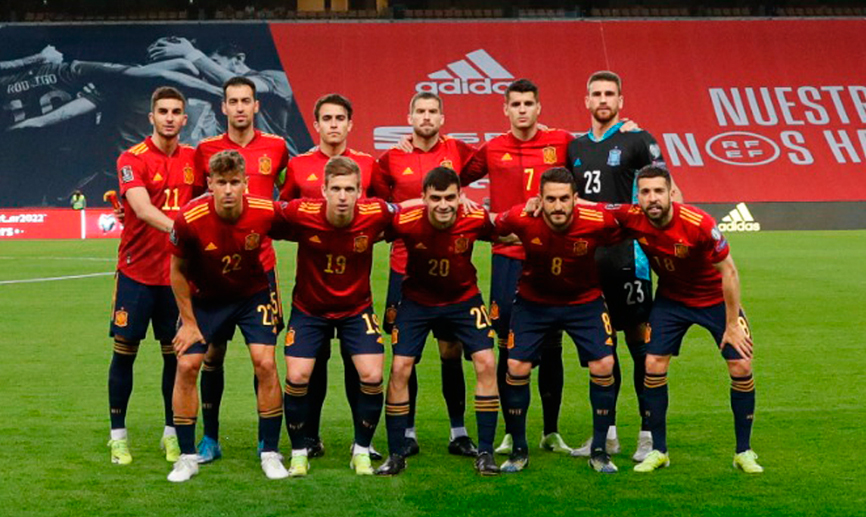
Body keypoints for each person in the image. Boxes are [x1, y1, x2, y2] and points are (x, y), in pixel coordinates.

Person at [607, 166, 762, 474]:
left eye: (658, 191)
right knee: (653, 365)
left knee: (741, 365)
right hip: (672, 301)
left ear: (671, 194)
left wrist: (732, 325)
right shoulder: (634, 217)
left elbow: (729, 272)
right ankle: (659, 450)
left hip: (714, 300)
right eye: (646, 192)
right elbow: (591, 208)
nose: (652, 198)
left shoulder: (699, 224)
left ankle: (744, 451)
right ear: (638, 196)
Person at [566, 70, 681, 460]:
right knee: (602, 350)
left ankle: (648, 434)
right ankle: (607, 433)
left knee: (640, 347)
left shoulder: (638, 140)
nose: (602, 100)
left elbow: (669, 191)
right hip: (588, 259)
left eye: (609, 94)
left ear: (620, 100)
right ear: (586, 100)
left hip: (629, 258)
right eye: (596, 93)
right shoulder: (576, 147)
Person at [460, 78, 574, 455]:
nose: (522, 109)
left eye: (529, 103)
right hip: (507, 258)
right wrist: (488, 219)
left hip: (551, 257)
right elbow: (450, 181)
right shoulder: (493, 149)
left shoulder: (561, 142)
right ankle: (512, 431)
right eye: (516, 104)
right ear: (505, 110)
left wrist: (626, 128)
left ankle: (551, 431)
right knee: (509, 346)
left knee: (553, 342)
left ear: (538, 108)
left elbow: (590, 168)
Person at [167, 150, 288, 482]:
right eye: (222, 182)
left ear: (246, 184)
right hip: (206, 299)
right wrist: (189, 323)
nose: (229, 189)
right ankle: (187, 456)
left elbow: (301, 229)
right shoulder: (189, 218)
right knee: (188, 364)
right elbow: (176, 271)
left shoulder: (266, 212)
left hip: (252, 295)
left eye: (235, 182)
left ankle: (270, 452)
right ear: (210, 184)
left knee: (265, 362)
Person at [493, 167, 621, 474]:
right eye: (550, 199)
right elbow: (492, 225)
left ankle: (600, 451)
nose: (558, 206)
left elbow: (630, 220)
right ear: (539, 199)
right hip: (533, 302)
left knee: (604, 364)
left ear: (576, 199)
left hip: (584, 302)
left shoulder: (595, 219)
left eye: (565, 198)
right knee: (515, 366)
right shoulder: (521, 217)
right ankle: (519, 450)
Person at [372, 92, 478, 458]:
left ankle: (459, 432)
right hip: (404, 268)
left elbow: (488, 168)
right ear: (409, 115)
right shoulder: (392, 157)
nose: (427, 117)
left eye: (433, 111)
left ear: (442, 117)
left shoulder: (459, 151)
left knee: (451, 350)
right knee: (407, 355)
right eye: (420, 111)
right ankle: (408, 432)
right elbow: (379, 204)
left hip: (450, 268)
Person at [375, 167, 499, 476]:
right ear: (423, 199)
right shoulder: (405, 221)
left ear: (460, 197)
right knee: (401, 367)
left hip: (462, 299)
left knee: (485, 362)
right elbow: (371, 227)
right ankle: (396, 452)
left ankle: (485, 452)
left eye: (449, 198)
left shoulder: (474, 218)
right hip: (417, 301)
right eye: (435, 198)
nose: (443, 205)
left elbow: (507, 228)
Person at [279, 94, 382, 460]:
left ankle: (362, 443)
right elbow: (283, 213)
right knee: (312, 366)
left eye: (341, 117)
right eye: (327, 117)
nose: (334, 124)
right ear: (317, 123)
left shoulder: (369, 165)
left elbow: (384, 209)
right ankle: (310, 437)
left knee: (362, 369)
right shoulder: (298, 164)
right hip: (313, 288)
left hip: (354, 285)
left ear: (350, 124)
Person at [193, 75, 290, 463]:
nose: (238, 108)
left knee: (263, 358)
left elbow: (293, 190)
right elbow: (190, 203)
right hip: (214, 272)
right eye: (232, 101)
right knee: (211, 357)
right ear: (223, 107)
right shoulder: (205, 150)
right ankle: (210, 439)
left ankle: (267, 443)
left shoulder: (278, 148)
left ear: (256, 106)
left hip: (260, 271)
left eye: (245, 100)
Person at [106, 86, 205, 466]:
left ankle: (171, 435)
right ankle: (118, 437)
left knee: (174, 358)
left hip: (176, 278)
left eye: (175, 111)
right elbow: (143, 209)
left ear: (184, 119)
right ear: (151, 117)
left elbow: (203, 201)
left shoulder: (195, 159)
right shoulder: (132, 159)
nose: (168, 117)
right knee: (124, 355)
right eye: (162, 110)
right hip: (136, 273)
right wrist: (181, 230)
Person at [147, 38, 312, 154]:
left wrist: (192, 54)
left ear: (238, 59)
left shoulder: (277, 78)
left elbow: (241, 86)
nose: (206, 72)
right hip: (240, 168)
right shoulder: (211, 90)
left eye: (214, 62)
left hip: (278, 165)